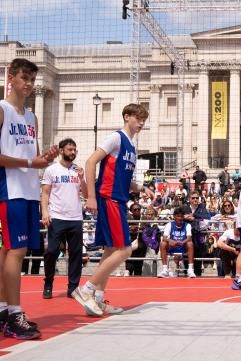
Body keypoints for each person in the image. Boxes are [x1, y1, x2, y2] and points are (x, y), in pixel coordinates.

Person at [72, 103, 153, 317]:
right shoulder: (116, 138)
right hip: (108, 198)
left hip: (118, 198)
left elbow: (124, 181)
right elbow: (90, 162)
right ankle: (86, 289)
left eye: (144, 119)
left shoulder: (132, 148)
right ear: (127, 117)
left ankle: (97, 300)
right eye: (138, 118)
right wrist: (91, 196)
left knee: (110, 250)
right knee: (125, 250)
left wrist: (143, 188)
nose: (142, 123)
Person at [0, 58, 58, 340]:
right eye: (25, 78)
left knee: (9, 251)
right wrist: (30, 162)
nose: (29, 85)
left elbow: (33, 157)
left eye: (32, 80)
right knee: (17, 251)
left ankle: (3, 309)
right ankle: (14, 313)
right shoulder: (2, 110)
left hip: (28, 189)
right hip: (8, 189)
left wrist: (45, 158)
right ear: (11, 77)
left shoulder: (32, 117)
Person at [42, 138, 87, 299]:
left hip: (75, 218)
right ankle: (48, 282)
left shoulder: (78, 170)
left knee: (76, 254)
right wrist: (45, 212)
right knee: (51, 252)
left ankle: (73, 288)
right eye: (70, 149)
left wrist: (82, 179)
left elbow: (87, 195)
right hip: (57, 217)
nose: (73, 152)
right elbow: (45, 193)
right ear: (61, 151)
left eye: (75, 150)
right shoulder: (51, 170)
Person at [157, 208, 195, 278]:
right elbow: (164, 237)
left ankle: (190, 269)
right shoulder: (169, 225)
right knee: (163, 243)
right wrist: (170, 241)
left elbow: (189, 237)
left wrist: (183, 242)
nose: (180, 218)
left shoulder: (187, 225)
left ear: (183, 217)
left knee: (190, 243)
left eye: (181, 216)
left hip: (183, 246)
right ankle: (165, 269)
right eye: (178, 216)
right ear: (174, 217)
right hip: (172, 247)